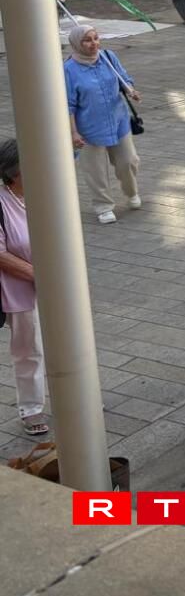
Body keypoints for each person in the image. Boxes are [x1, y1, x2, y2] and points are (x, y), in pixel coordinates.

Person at [64, 26, 141, 226]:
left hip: (118, 120)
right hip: (89, 128)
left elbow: (123, 78)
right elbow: (68, 104)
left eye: (96, 38)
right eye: (87, 40)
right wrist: (73, 132)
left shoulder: (108, 56)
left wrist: (130, 89)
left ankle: (131, 191)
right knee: (95, 170)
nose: (94, 44)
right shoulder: (68, 69)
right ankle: (103, 207)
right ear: (76, 44)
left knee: (129, 161)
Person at [0, 137, 48, 437]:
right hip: (19, 287)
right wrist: (41, 275)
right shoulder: (2, 203)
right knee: (28, 349)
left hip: (58, 285)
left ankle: (75, 394)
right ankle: (31, 408)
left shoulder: (45, 192)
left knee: (69, 340)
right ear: (16, 172)